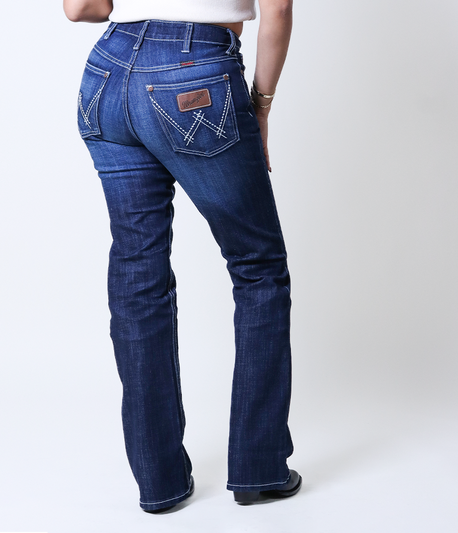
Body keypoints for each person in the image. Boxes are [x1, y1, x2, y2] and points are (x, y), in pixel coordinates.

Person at [63, 0, 301, 513]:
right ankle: (259, 468)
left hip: (107, 76)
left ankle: (159, 481)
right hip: (194, 75)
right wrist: (261, 105)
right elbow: (278, 8)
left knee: (138, 269)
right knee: (258, 268)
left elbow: (81, 8)